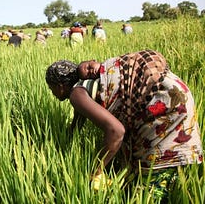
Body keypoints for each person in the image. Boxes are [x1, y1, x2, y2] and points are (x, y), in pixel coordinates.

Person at [45, 49, 203, 201]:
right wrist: (65, 143)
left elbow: (116, 131)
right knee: (161, 171)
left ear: (60, 86)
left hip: (164, 106)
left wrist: (96, 169)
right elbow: (78, 121)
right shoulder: (85, 87)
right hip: (172, 92)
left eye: (51, 89)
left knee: (153, 181)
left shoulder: (76, 95)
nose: (52, 94)